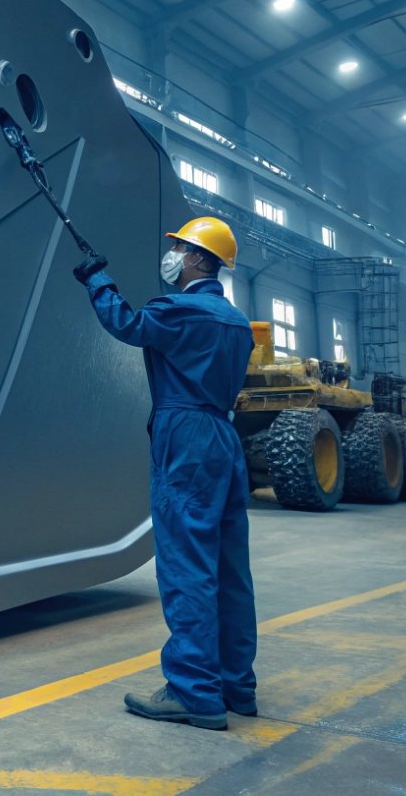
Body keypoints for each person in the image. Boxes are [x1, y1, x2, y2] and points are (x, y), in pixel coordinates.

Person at [71, 217, 257, 731]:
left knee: (186, 566)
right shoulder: (237, 322)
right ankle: (236, 685)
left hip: (187, 437)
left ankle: (194, 693)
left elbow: (128, 325)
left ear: (199, 259)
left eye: (178, 247)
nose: (171, 253)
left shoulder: (178, 308)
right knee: (229, 570)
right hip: (223, 436)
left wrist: (96, 280)